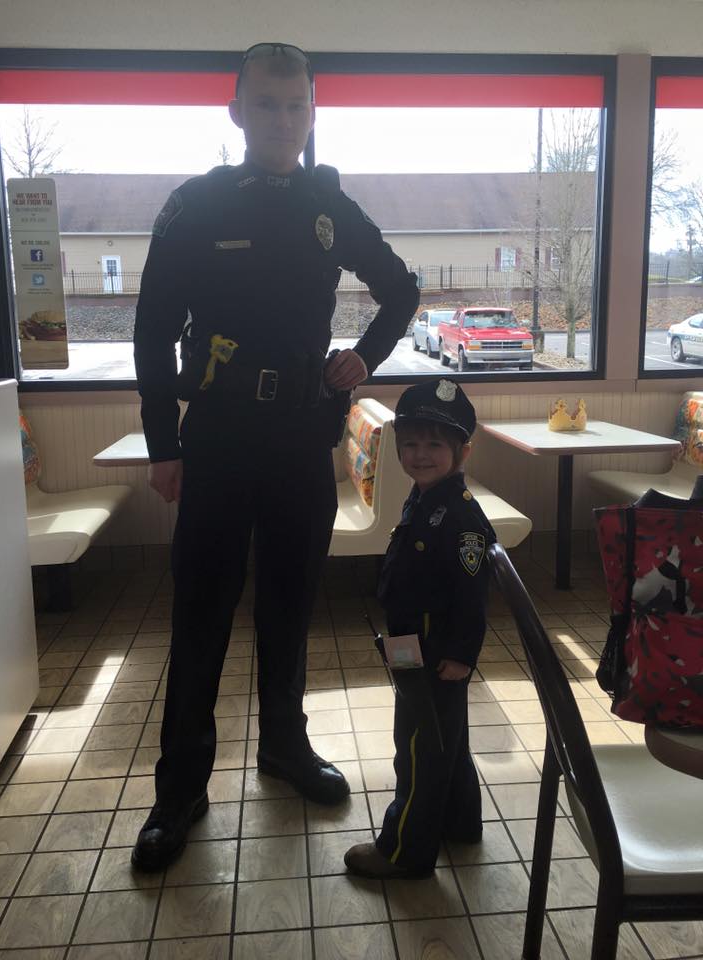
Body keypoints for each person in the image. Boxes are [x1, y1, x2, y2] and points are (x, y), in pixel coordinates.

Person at [131, 42, 420, 871]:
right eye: (267, 104)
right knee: (201, 616)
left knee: (292, 606)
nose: (283, 120)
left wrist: (362, 356)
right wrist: (162, 443)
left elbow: (400, 290)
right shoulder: (196, 205)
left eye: (296, 106)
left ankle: (285, 749)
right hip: (217, 436)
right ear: (238, 111)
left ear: (311, 112)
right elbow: (152, 331)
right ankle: (179, 787)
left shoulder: (329, 207)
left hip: (301, 435)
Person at [344, 378, 496, 879]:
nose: (420, 454)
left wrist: (461, 654)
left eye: (435, 444)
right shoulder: (424, 497)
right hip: (410, 646)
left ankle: (403, 851)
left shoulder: (462, 517)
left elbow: (474, 596)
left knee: (417, 750)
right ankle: (459, 822)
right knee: (444, 740)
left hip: (434, 653)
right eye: (410, 443)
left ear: (463, 451)